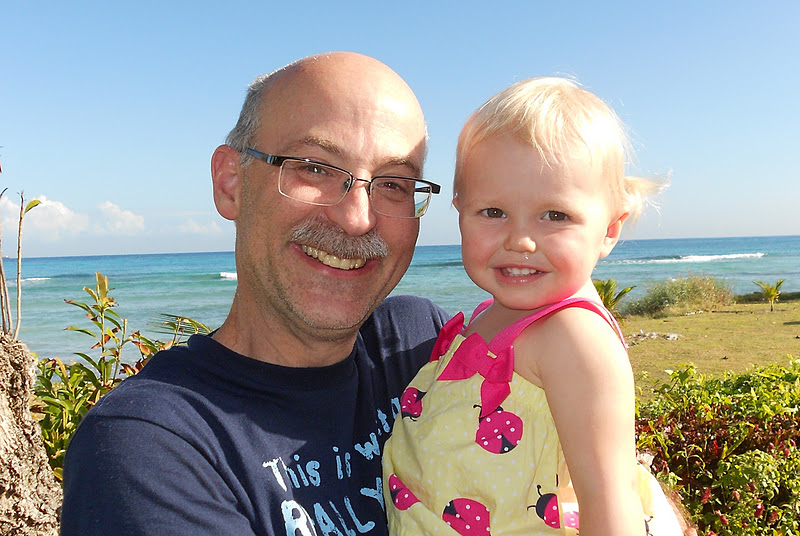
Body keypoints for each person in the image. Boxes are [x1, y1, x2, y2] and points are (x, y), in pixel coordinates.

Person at [60, 52, 449, 535]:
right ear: (231, 183)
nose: (357, 218)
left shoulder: (423, 348)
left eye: (394, 183)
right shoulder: (153, 446)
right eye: (315, 168)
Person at [383, 77, 684, 535]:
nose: (520, 240)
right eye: (493, 212)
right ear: (460, 211)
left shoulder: (574, 339)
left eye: (555, 215)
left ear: (609, 229)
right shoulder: (490, 316)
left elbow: (610, 500)